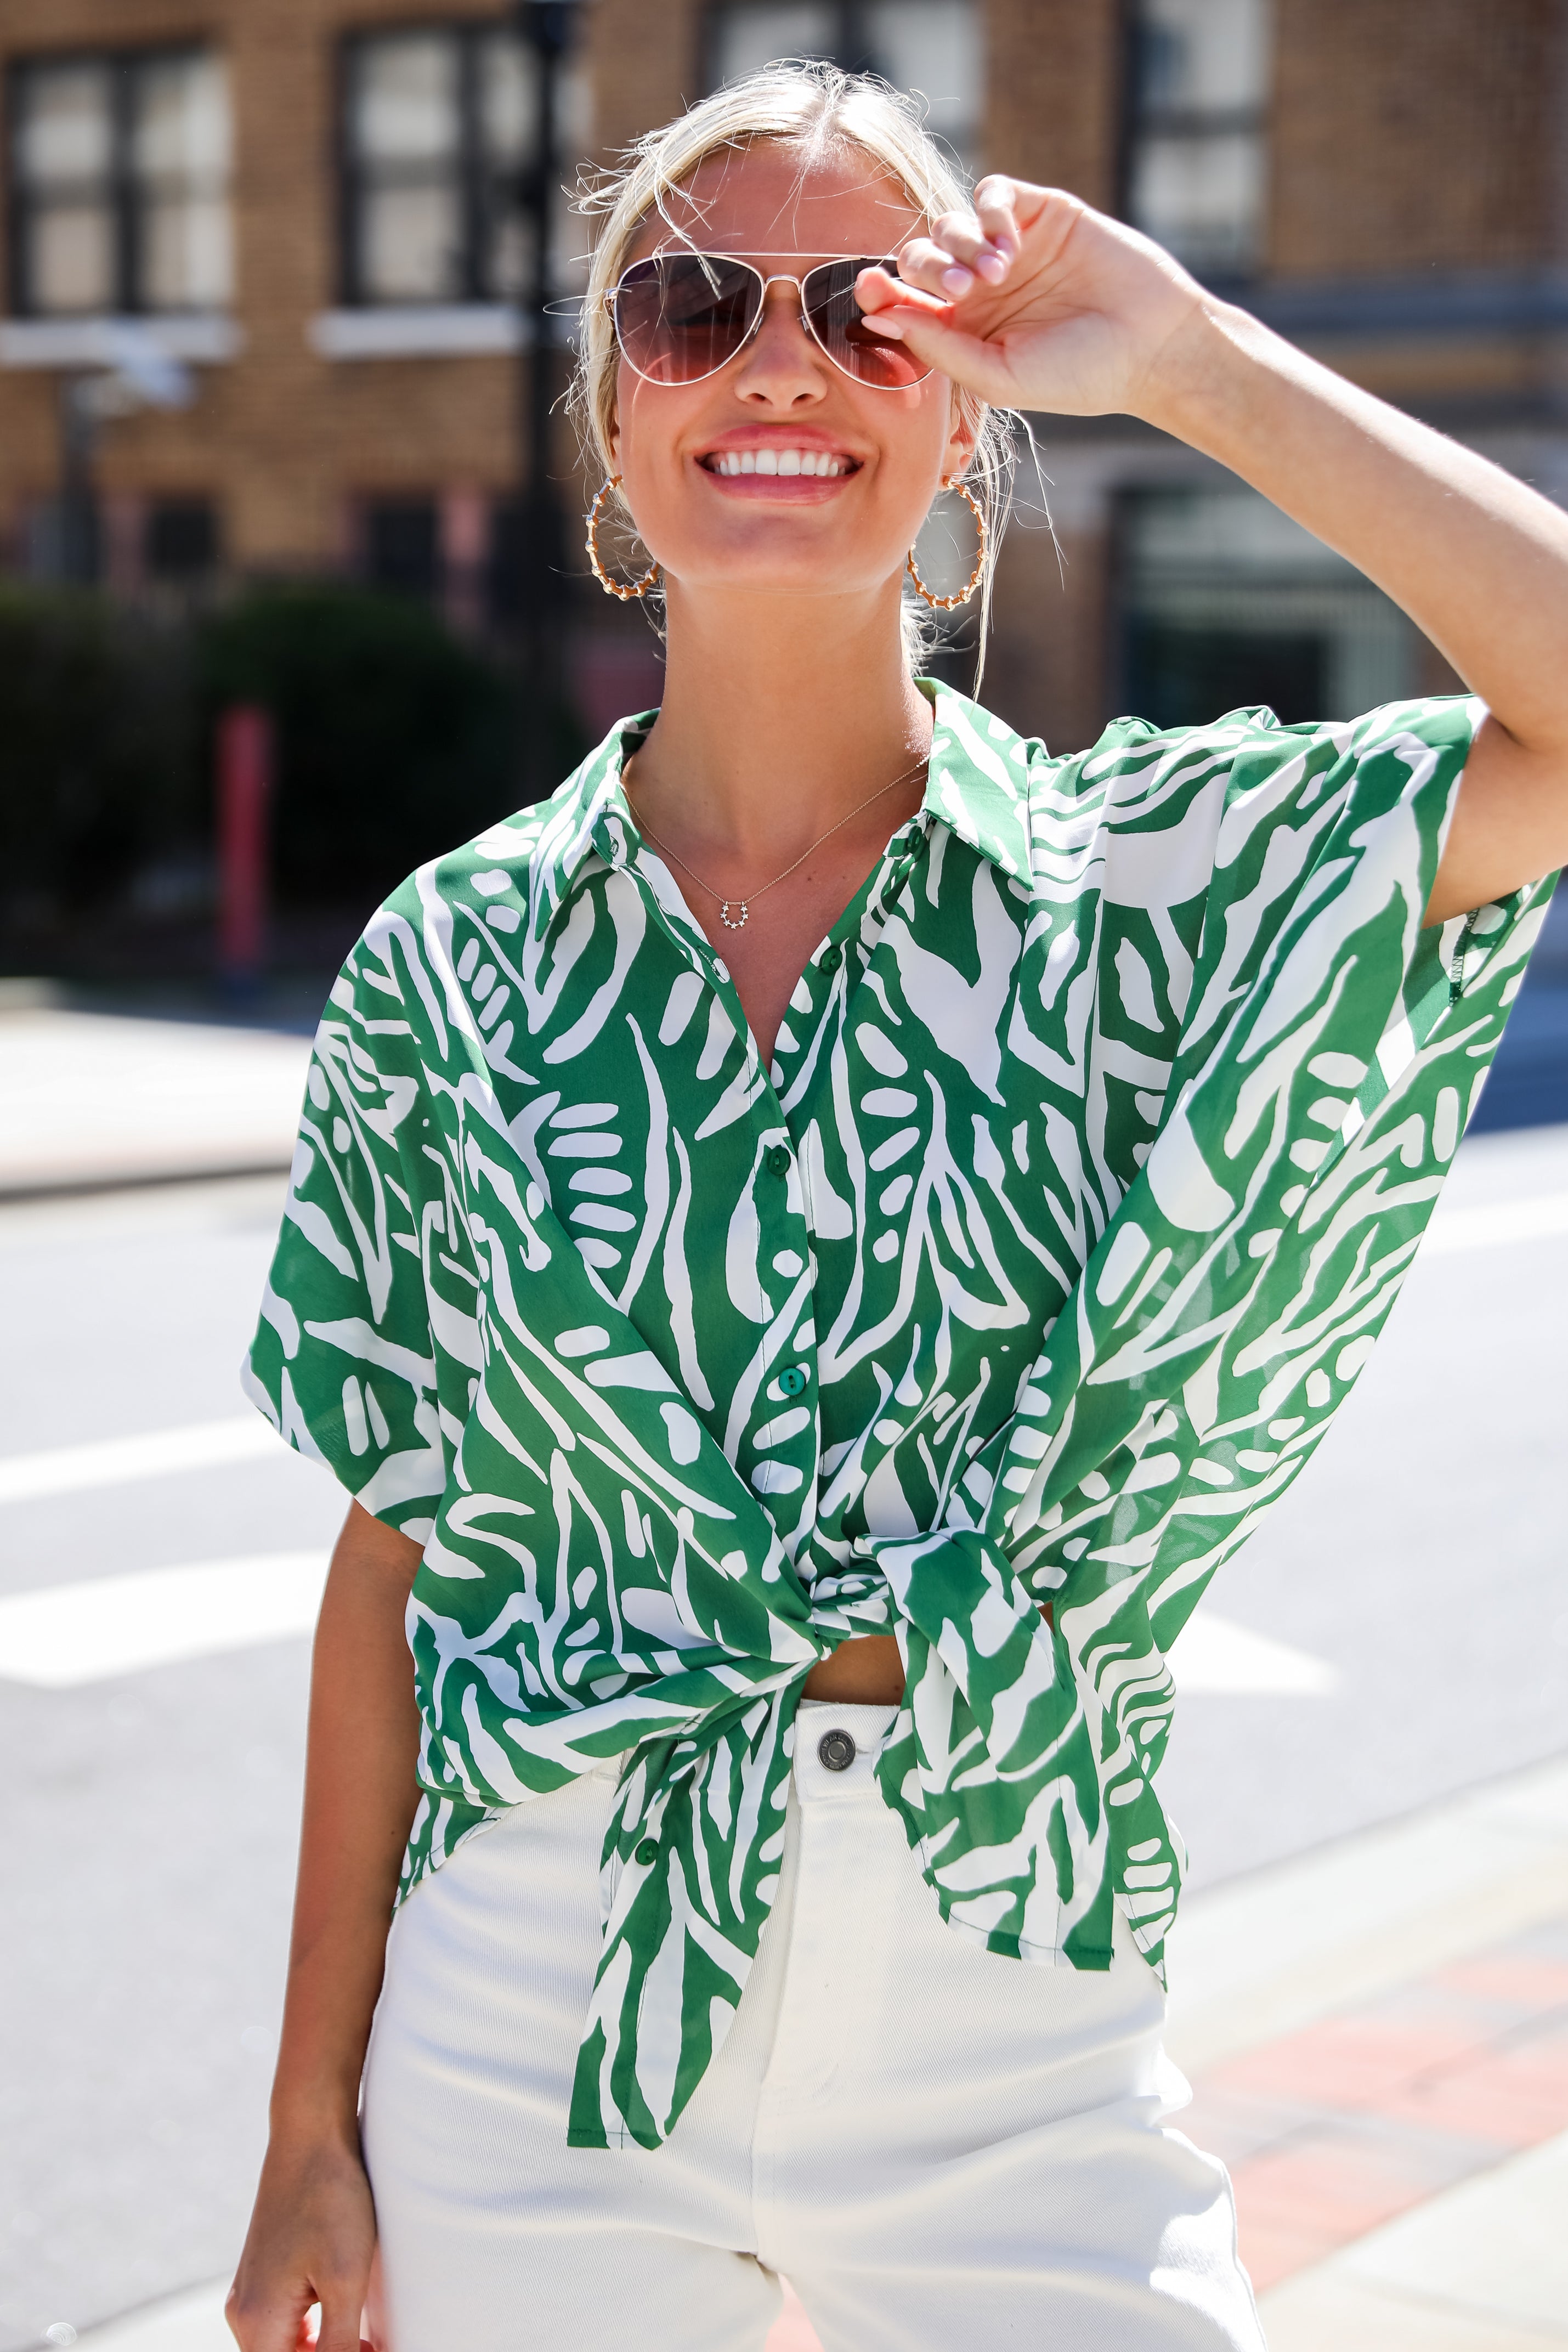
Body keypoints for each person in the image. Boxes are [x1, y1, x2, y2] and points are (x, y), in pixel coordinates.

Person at [227, 58, 1565, 2352]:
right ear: (614, 428)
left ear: (962, 423)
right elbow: (397, 1554)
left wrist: (1188, 361)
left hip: (1003, 2004)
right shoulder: (450, 963)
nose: (772, 356)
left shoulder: (1156, 883)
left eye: (865, 310)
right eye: (687, 307)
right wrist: (303, 2138)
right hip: (535, 2004)